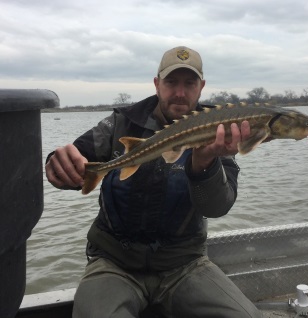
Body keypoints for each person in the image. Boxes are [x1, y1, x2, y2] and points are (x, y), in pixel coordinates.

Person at [45, 46, 262, 318]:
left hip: (184, 265)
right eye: (171, 82)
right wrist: (57, 164)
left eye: (189, 83)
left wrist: (205, 164)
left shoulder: (219, 130)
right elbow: (75, 163)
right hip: (115, 262)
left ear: (201, 87)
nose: (180, 93)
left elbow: (217, 208)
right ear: (157, 84)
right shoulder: (120, 123)